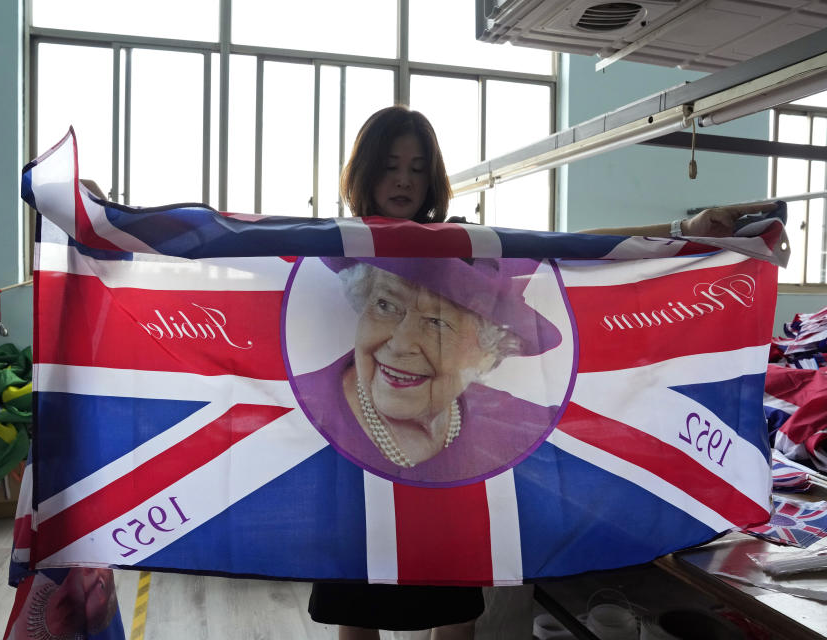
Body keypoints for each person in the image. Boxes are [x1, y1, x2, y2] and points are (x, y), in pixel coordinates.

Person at [308, 104, 779, 640]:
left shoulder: (460, 245)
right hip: (353, 457)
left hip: (450, 459)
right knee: (358, 604)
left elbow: (569, 247)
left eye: (417, 168)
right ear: (365, 170)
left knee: (455, 605)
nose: (403, 180)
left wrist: (683, 230)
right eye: (391, 165)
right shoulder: (333, 245)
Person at [292, 255, 563, 484]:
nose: (400, 344)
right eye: (386, 305)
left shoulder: (528, 432)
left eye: (437, 322)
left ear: (488, 351)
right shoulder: (292, 416)